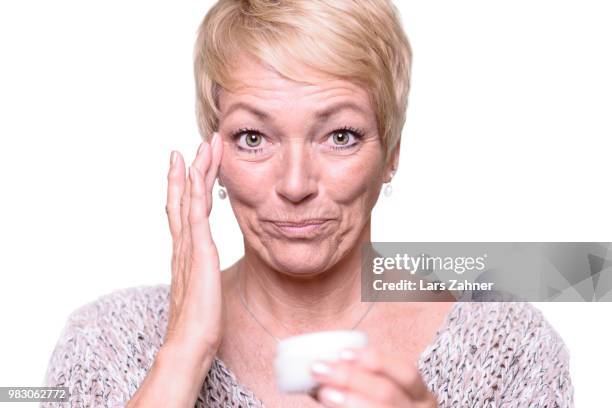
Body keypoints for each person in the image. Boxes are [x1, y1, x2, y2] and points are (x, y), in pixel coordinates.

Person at [42, 0, 574, 407]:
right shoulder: (108, 341)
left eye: (339, 135)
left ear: (390, 153)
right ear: (214, 153)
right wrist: (183, 355)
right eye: (254, 137)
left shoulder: (508, 345)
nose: (295, 184)